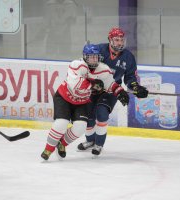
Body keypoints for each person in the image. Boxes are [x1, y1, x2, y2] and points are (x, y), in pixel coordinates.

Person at [40, 44, 129, 161]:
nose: (94, 59)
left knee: (80, 127)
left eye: (96, 57)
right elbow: (74, 83)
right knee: (62, 122)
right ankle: (48, 148)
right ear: (85, 57)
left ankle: (62, 144)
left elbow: (110, 84)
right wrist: (92, 84)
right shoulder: (76, 65)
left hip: (82, 101)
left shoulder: (104, 69)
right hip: (64, 98)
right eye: (91, 57)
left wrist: (119, 92)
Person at [77, 27, 149, 156]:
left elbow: (130, 78)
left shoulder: (128, 57)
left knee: (102, 114)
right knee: (88, 117)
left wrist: (136, 87)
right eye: (116, 40)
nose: (120, 43)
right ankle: (90, 141)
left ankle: (98, 144)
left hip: (112, 89)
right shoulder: (98, 50)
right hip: (93, 89)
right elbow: (83, 65)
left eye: (122, 40)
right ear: (110, 40)